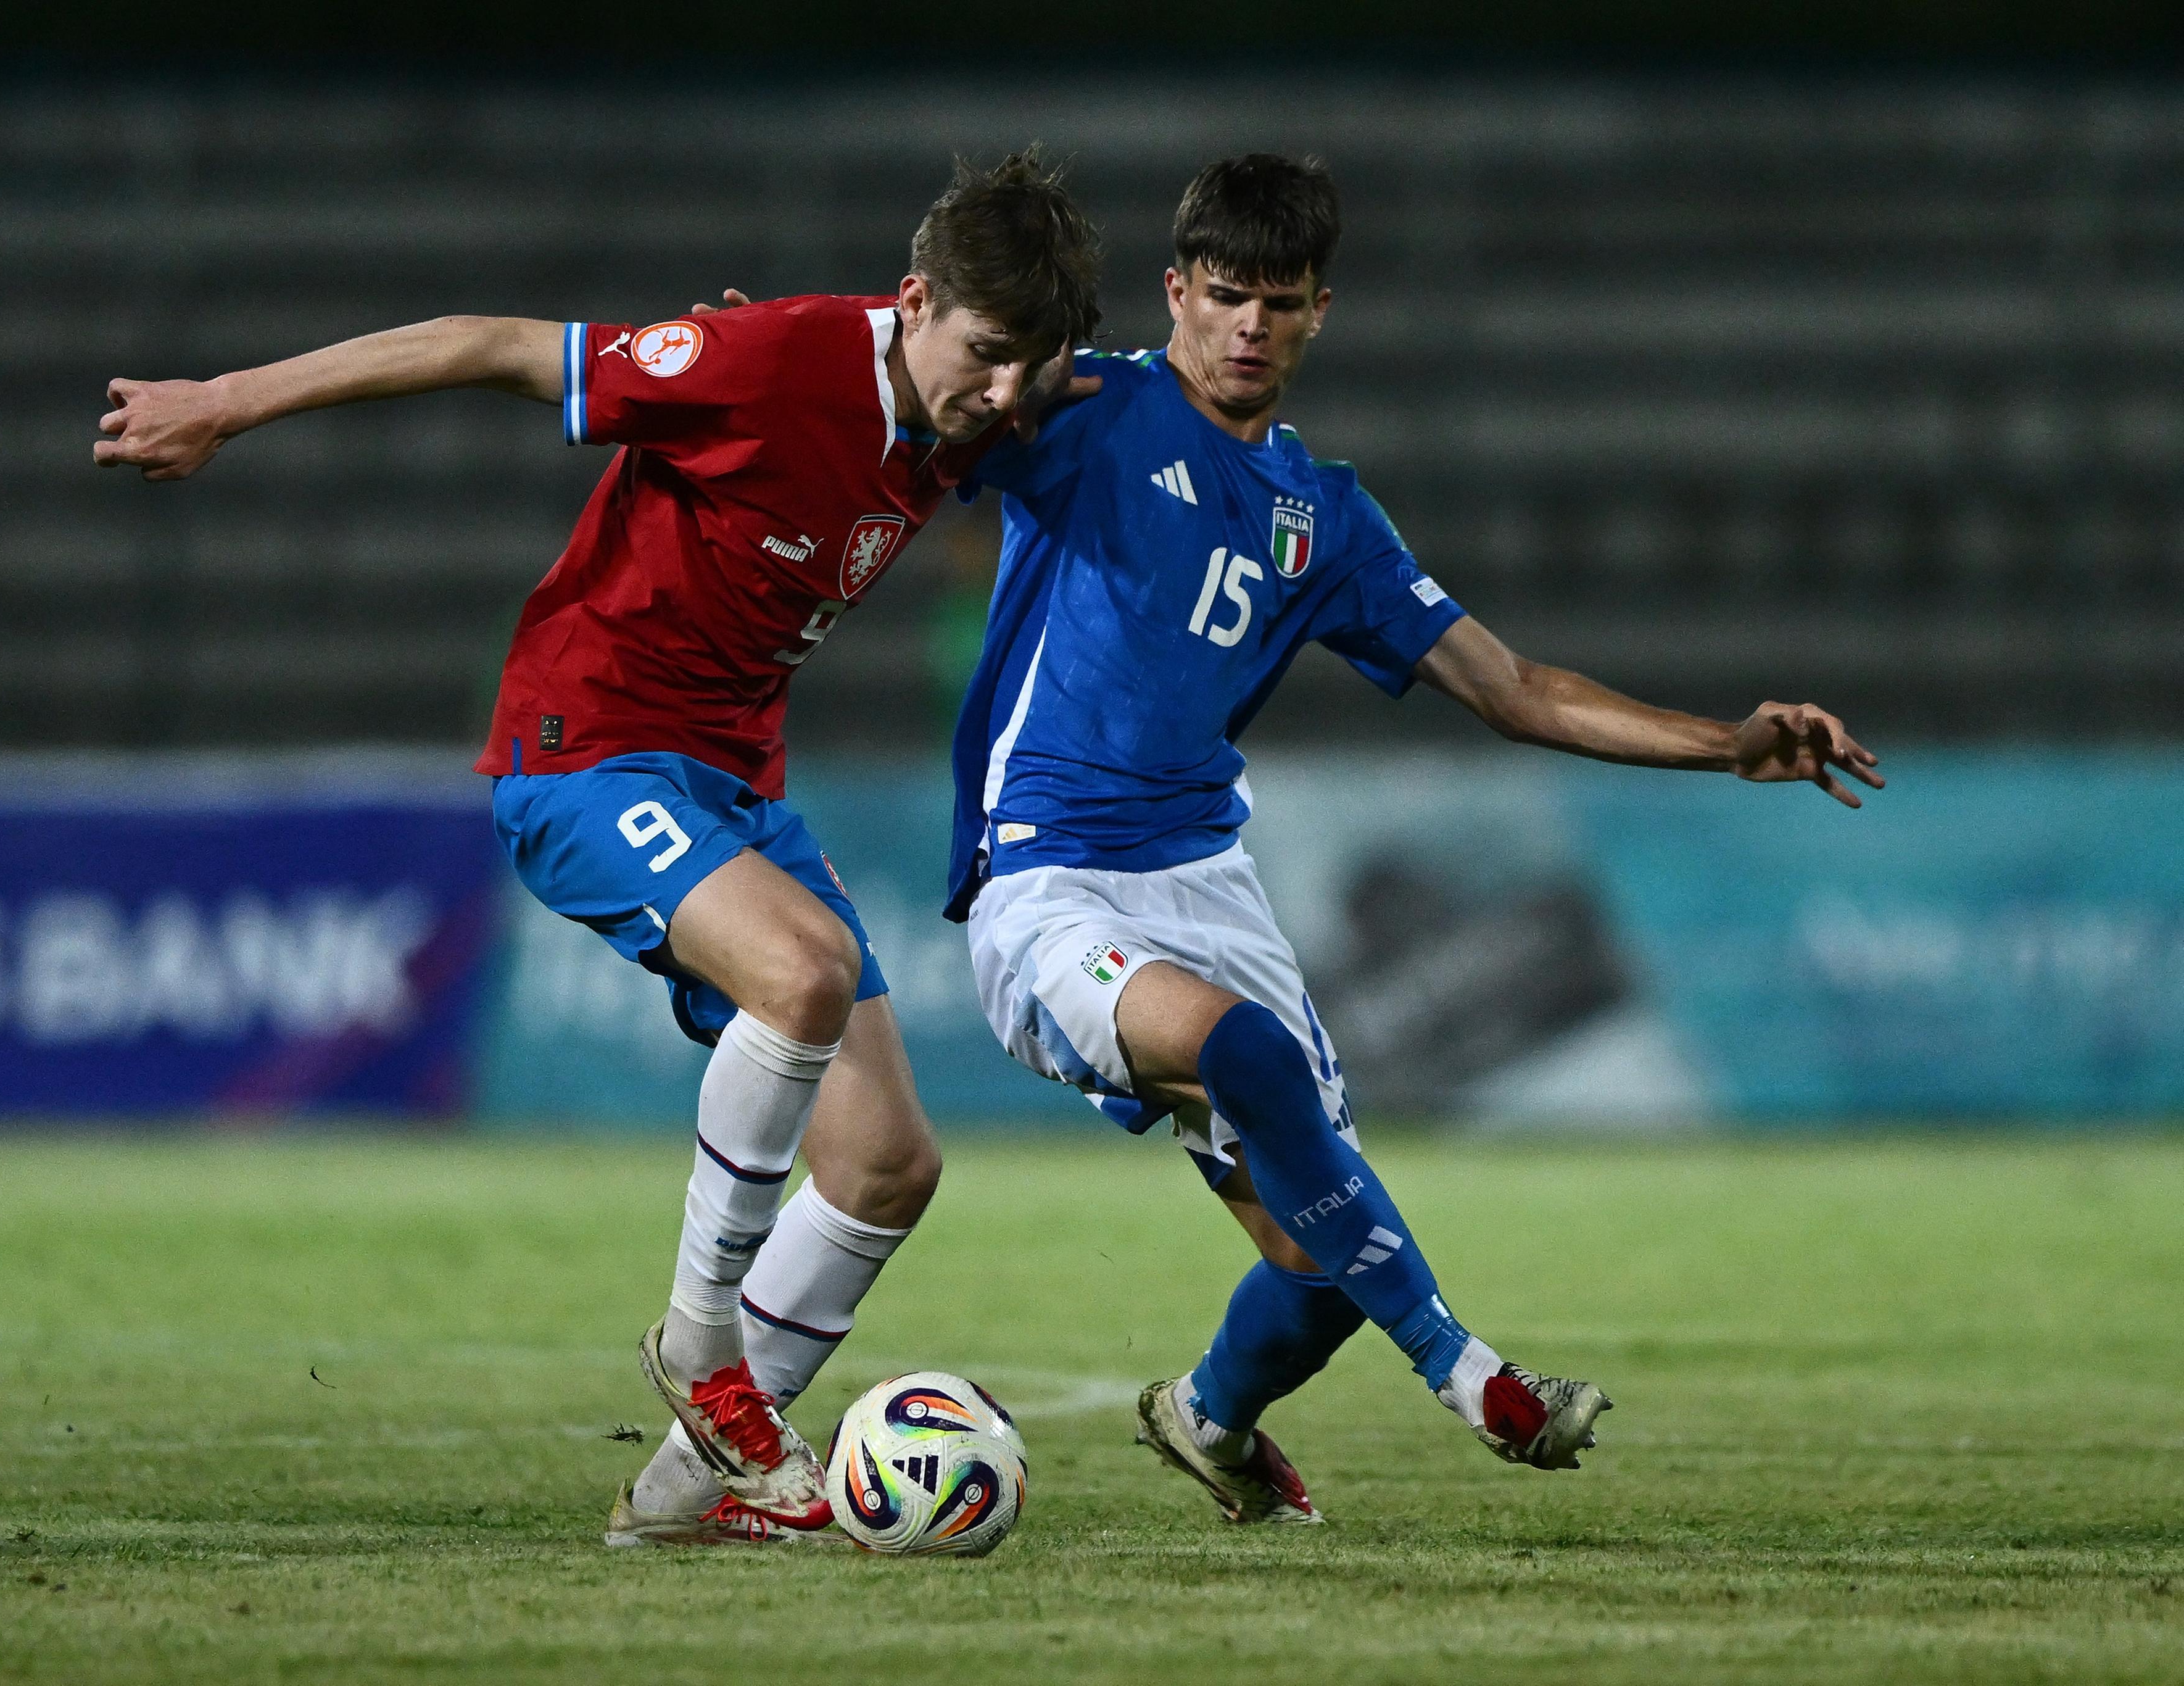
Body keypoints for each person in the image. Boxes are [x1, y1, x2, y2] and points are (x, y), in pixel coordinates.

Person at [94, 152, 1103, 1545]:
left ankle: (682, 1503)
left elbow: (1097, 396)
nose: (1000, 396)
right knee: (802, 976)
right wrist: (225, 401)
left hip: (734, 785)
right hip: (586, 750)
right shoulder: (769, 358)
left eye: (1026, 371)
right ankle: (703, 1355)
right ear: (915, 299)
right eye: (985, 358)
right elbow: (489, 345)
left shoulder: (979, 403)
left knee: (885, 1161)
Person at [946, 154, 1884, 1523]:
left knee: (1324, 1259)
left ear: (1323, 309)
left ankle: (1208, 1414)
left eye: (1280, 302)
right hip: (1047, 880)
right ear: (1176, 292)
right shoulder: (1093, 402)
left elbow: (1513, 688)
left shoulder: (1322, 518)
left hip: (1205, 886)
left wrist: (1724, 745)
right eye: (1224, 297)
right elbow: (921, 403)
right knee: (1248, 1056)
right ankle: (1472, 1374)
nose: (1249, 327)